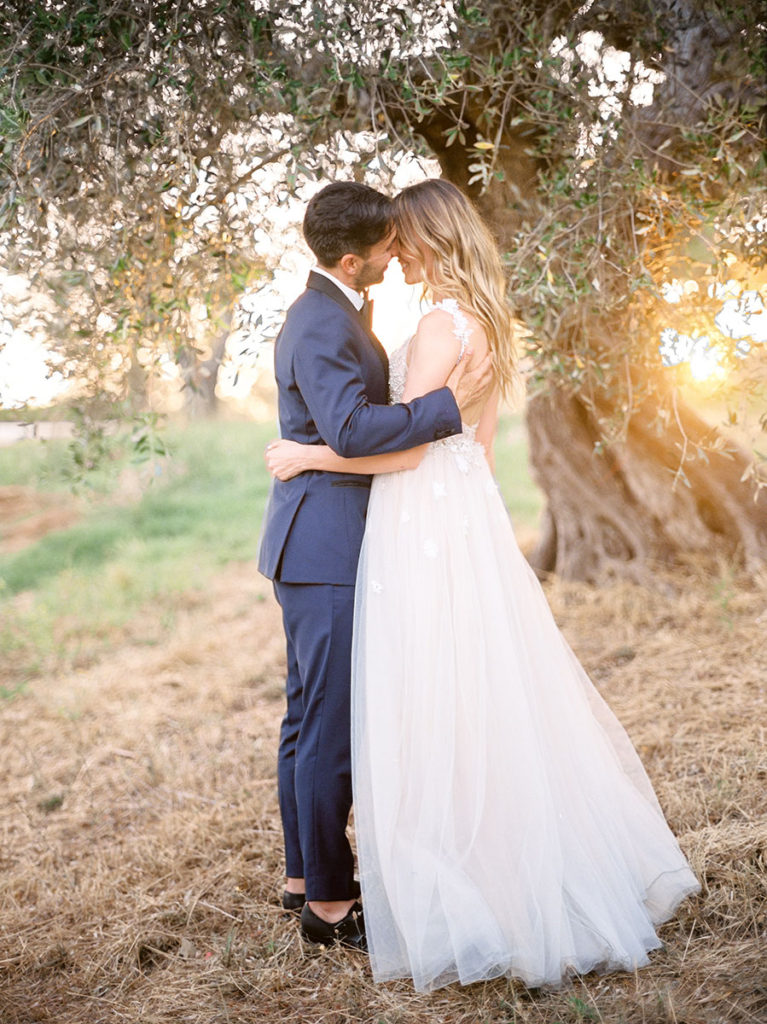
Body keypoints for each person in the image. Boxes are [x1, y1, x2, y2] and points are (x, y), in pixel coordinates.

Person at [265, 178, 700, 991]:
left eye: (404, 240)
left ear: (427, 241)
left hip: (412, 523)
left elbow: (401, 447)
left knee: (416, 697)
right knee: (462, 693)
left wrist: (308, 455)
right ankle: (316, 879)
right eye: (386, 244)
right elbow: (478, 447)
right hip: (454, 521)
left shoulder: (435, 324)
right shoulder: (486, 323)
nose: (396, 256)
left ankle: (373, 879)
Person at [257, 181, 492, 950]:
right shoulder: (320, 320)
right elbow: (356, 431)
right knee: (325, 725)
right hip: (323, 544)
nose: (398, 255)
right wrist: (445, 407)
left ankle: (302, 875)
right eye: (388, 246)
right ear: (354, 259)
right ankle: (328, 901)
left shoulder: (339, 310)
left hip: (321, 538)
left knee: (307, 716)